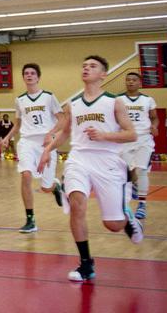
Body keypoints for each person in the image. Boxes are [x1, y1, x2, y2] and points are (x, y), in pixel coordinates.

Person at [39, 55, 144, 282]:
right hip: (79, 159)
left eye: (92, 66)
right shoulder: (73, 104)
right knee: (77, 205)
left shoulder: (114, 102)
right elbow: (66, 133)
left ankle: (126, 217)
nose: (86, 68)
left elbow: (131, 134)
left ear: (103, 74)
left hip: (107, 160)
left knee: (113, 225)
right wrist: (48, 149)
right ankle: (86, 264)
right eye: (84, 65)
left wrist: (104, 135)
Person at [1, 63, 65, 234]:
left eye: (33, 73)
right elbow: (18, 124)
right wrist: (7, 137)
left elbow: (62, 120)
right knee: (26, 175)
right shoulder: (19, 100)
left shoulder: (49, 97)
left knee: (46, 187)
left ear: (38, 77)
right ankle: (30, 220)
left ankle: (55, 187)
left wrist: (51, 133)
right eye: (26, 73)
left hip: (46, 144)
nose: (29, 75)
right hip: (27, 142)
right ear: (23, 77)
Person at [118, 72, 159, 220]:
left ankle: (142, 204)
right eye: (128, 80)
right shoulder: (118, 99)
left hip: (144, 139)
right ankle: (134, 186)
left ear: (139, 83)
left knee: (141, 171)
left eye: (134, 80)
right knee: (130, 171)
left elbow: (154, 118)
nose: (130, 82)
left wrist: (155, 126)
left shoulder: (148, 99)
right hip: (126, 139)